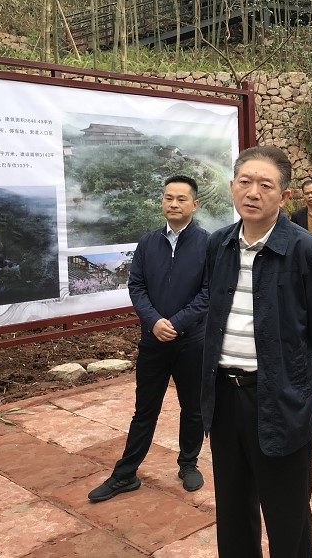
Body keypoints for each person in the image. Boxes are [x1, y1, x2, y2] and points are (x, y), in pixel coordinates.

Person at [201, 146, 312, 558]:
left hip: (278, 399)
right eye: (245, 182)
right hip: (224, 397)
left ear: (284, 196)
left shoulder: (309, 253)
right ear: (232, 186)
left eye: (265, 185)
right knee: (231, 509)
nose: (253, 192)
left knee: (287, 514)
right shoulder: (218, 245)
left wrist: (296, 388)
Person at [88, 175, 209, 502]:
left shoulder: (207, 244)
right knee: (144, 410)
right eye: (168, 198)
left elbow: (209, 292)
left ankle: (188, 463)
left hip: (191, 342)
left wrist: (177, 324)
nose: (174, 204)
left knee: (193, 408)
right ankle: (125, 474)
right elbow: (137, 286)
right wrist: (154, 321)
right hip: (153, 342)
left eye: (181, 199)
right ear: (162, 202)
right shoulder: (147, 242)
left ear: (195, 204)